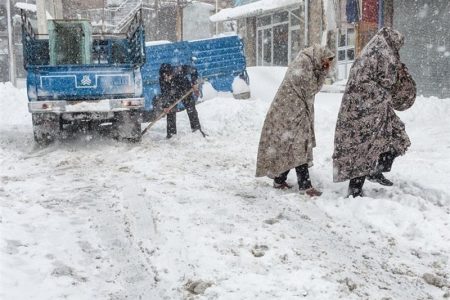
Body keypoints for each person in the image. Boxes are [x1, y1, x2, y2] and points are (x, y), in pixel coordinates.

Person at [332, 27, 416, 197]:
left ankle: (376, 170)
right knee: (363, 146)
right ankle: (354, 191)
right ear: (393, 41)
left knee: (396, 135)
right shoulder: (384, 54)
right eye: (398, 45)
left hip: (367, 106)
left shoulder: (372, 49)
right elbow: (389, 82)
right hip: (367, 108)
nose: (398, 48)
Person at [255, 44, 335, 197]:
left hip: (292, 110)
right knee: (298, 145)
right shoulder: (304, 64)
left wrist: (320, 70)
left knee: (290, 145)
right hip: (290, 112)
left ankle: (279, 180)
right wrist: (323, 73)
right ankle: (305, 185)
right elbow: (311, 89)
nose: (328, 64)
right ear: (319, 56)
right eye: (326, 60)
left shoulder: (307, 62)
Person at [158, 63, 204, 139]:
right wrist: (166, 106)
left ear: (171, 72)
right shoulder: (162, 79)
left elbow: (194, 70)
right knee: (170, 111)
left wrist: (194, 82)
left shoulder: (179, 70)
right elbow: (164, 93)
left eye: (167, 76)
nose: (166, 78)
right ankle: (171, 135)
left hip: (185, 90)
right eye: (164, 76)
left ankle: (196, 130)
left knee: (191, 110)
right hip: (172, 94)